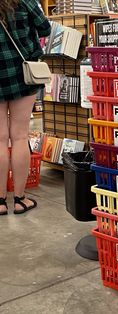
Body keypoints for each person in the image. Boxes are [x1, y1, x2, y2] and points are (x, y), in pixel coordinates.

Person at [0, 0, 51, 215]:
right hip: (22, 74)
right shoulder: (24, 1)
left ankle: (0, 201)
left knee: (0, 139)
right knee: (20, 137)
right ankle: (20, 199)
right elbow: (45, 28)